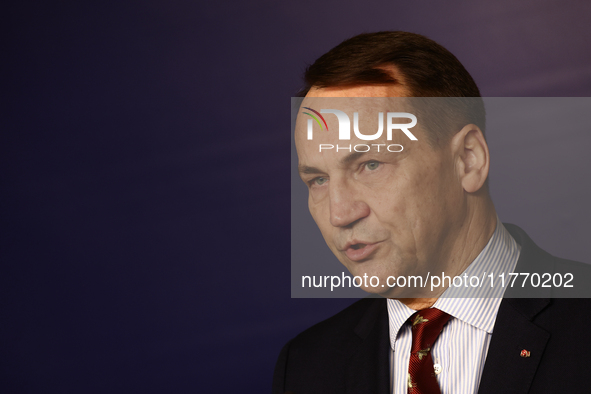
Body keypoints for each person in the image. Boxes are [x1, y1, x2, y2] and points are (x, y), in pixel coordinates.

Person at [274, 31, 591, 394]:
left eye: (371, 164)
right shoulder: (306, 368)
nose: (339, 214)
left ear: (467, 160)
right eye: (318, 180)